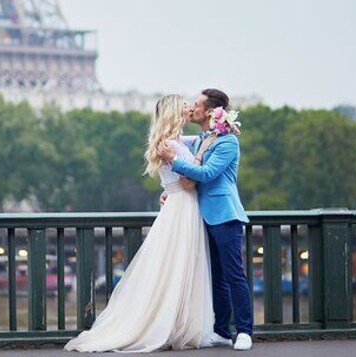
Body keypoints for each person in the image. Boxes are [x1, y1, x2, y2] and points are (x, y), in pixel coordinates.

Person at [64, 94, 213, 352]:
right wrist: (197, 164)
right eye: (185, 106)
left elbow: (197, 145)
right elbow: (189, 182)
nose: (190, 109)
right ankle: (179, 325)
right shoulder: (173, 146)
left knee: (172, 266)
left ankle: (172, 323)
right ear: (175, 112)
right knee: (182, 265)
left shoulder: (171, 142)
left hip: (177, 206)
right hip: (183, 207)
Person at [158, 88, 253, 351]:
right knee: (217, 277)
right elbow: (173, 140)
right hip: (201, 217)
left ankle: (244, 331)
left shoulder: (227, 142)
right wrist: (169, 191)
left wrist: (174, 162)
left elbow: (207, 172)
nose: (193, 107)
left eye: (197, 104)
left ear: (210, 111)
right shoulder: (203, 139)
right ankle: (222, 330)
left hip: (224, 215)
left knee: (234, 275)